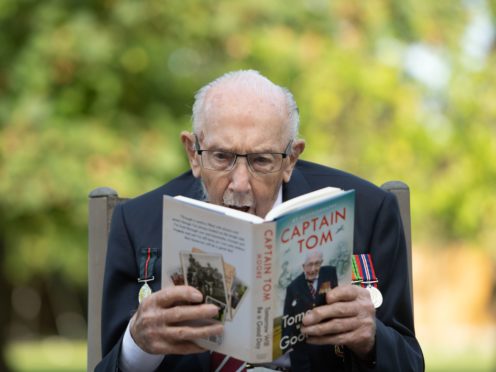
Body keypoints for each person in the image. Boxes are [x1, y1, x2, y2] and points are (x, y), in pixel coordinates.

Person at [96, 70, 424, 371]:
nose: (239, 184)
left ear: (290, 159)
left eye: (261, 160)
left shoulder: (369, 211)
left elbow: (409, 363)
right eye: (221, 157)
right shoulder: (137, 221)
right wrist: (137, 344)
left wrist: (372, 340)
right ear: (194, 153)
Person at [282, 251, 338, 363]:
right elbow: (287, 315)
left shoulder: (330, 272)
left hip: (328, 346)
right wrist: (285, 347)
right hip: (301, 350)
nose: (313, 269)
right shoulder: (292, 287)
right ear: (303, 266)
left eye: (317, 264)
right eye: (309, 264)